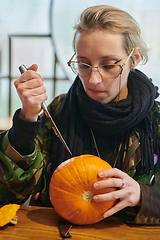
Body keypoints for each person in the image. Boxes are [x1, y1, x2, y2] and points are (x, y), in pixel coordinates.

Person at [0, 5, 160, 225]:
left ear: (134, 58)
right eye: (84, 65)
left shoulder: (155, 122)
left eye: (109, 65)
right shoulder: (58, 111)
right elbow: (10, 194)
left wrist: (143, 195)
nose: (93, 80)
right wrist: (27, 119)